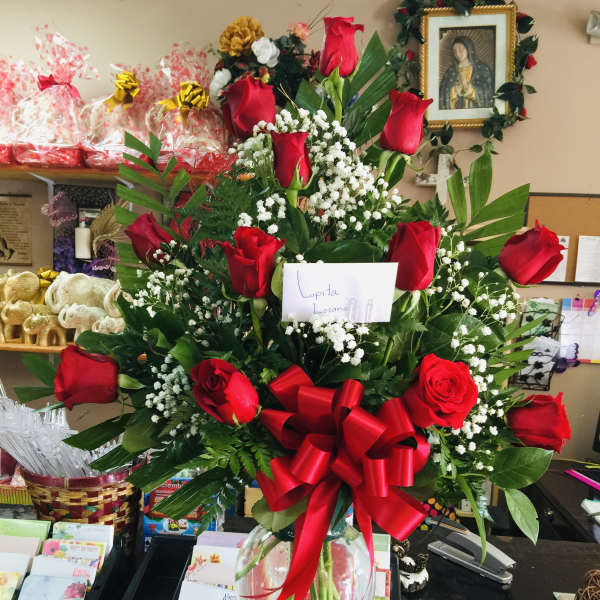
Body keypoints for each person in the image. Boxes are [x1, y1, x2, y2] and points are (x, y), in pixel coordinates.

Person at [439, 35, 494, 110]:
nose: (457, 54)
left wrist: (468, 88)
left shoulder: (482, 69)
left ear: (468, 49)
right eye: (455, 51)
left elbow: (488, 92)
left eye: (460, 50)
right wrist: (455, 90)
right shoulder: (451, 71)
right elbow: (443, 93)